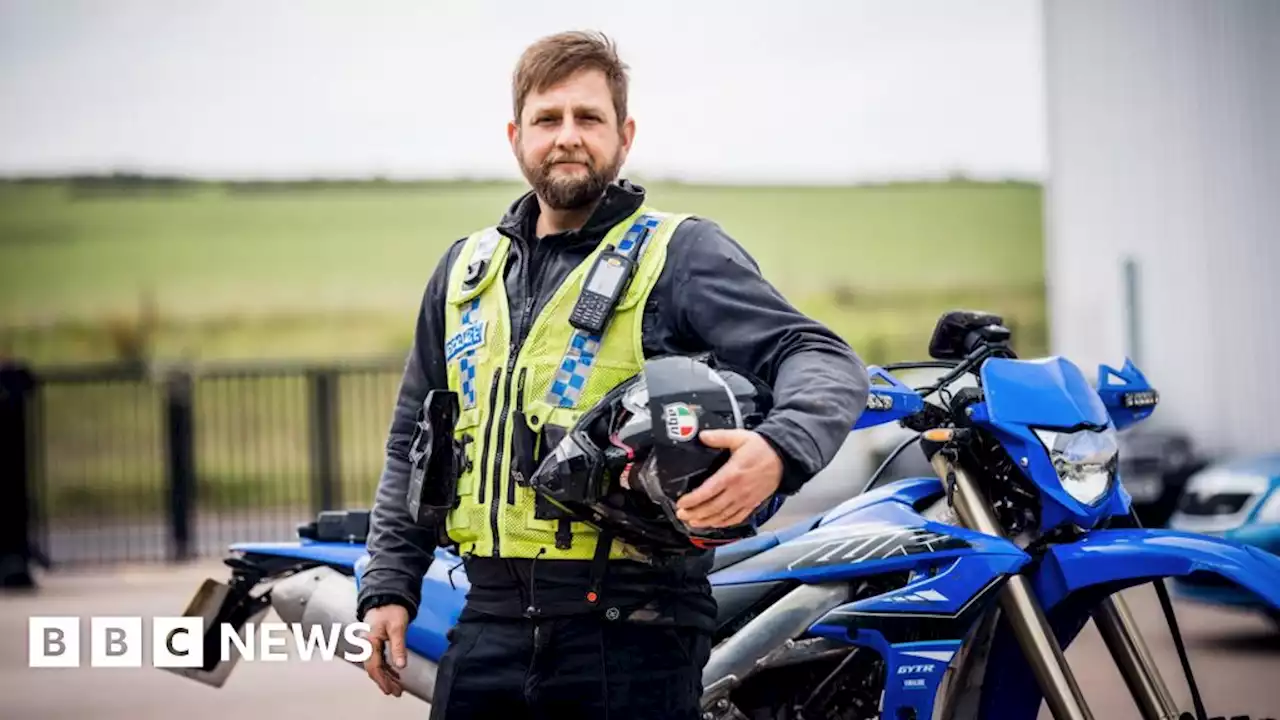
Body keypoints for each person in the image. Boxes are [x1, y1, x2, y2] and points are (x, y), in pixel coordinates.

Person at [356, 29, 870, 719]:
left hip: (633, 637)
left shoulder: (681, 253)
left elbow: (819, 355)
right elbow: (411, 446)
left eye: (588, 118)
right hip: (488, 628)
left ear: (623, 136)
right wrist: (389, 584)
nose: (567, 136)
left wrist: (779, 452)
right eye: (548, 118)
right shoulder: (463, 274)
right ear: (516, 137)